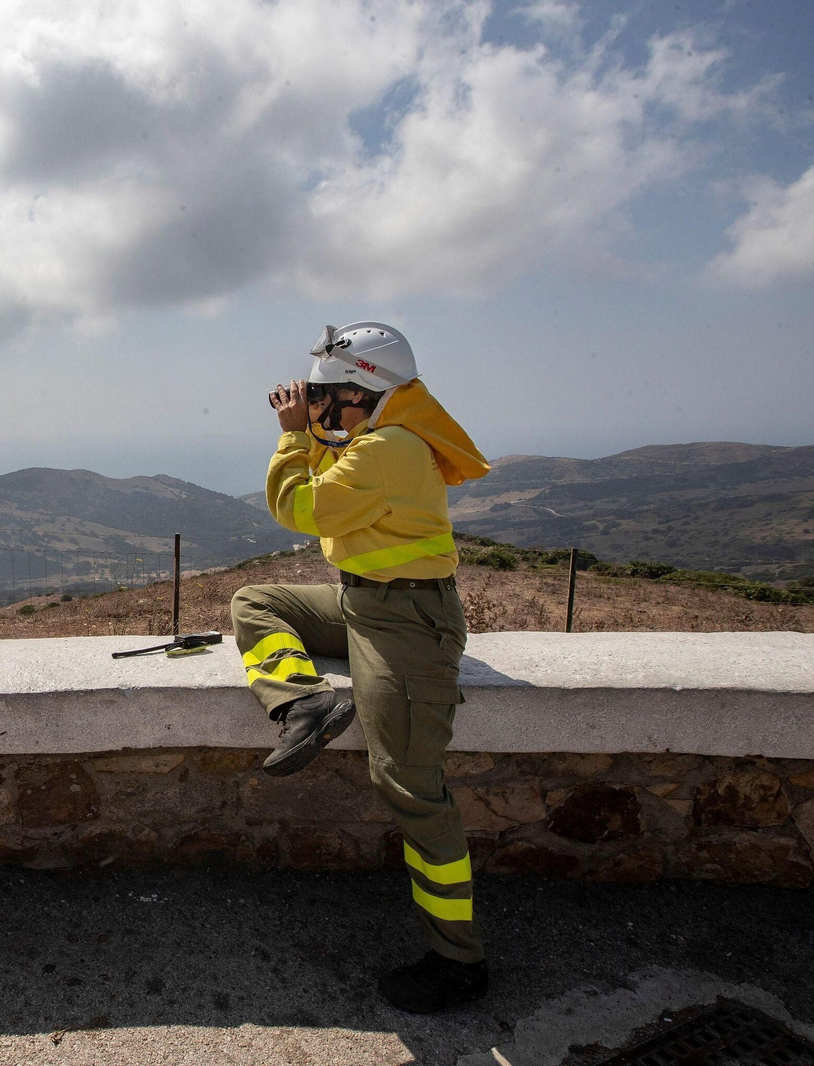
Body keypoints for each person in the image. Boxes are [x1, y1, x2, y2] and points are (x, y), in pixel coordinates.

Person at [232, 320, 492, 1014]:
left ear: (368, 393)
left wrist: (291, 435)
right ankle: (302, 701)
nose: (317, 413)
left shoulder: (390, 449)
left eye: (327, 400)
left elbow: (299, 504)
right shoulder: (377, 438)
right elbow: (330, 474)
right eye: (313, 403)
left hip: (406, 623)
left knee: (408, 782)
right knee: (256, 601)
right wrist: (315, 429)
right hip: (363, 602)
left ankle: (457, 960)